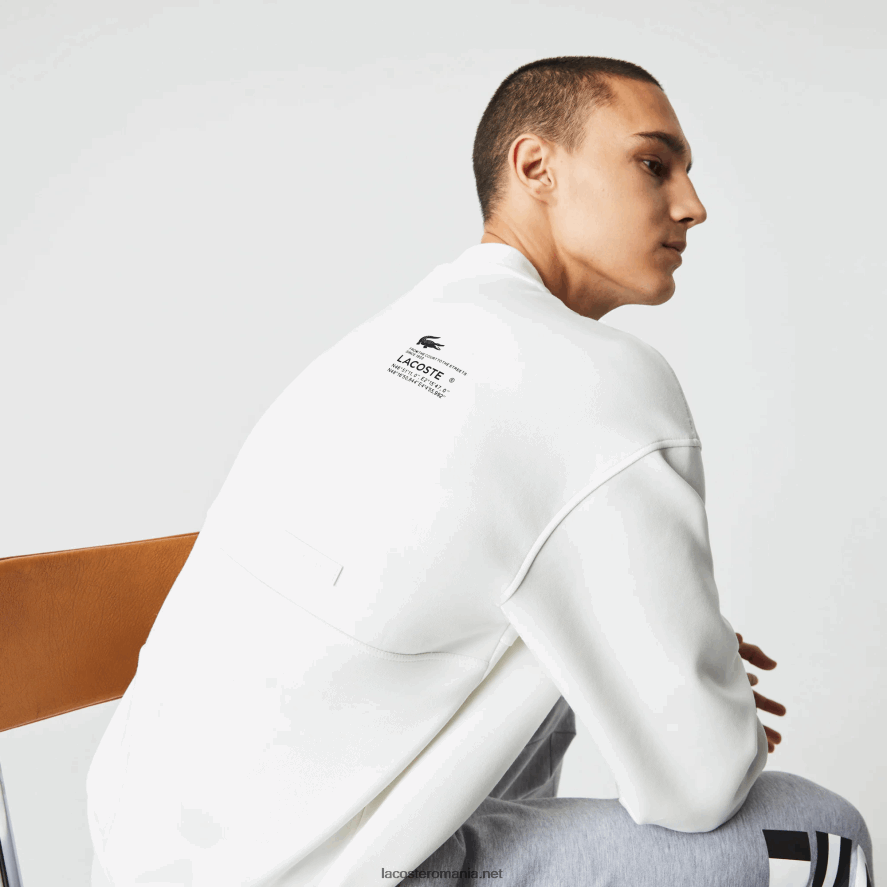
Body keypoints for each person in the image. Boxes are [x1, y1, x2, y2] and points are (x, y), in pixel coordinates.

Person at [86, 56, 874, 887]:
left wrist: (661, 643)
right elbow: (697, 783)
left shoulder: (387, 338)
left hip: (140, 855)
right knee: (822, 834)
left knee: (546, 650)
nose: (691, 204)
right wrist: (698, 682)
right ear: (535, 166)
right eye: (653, 164)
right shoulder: (599, 380)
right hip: (311, 875)